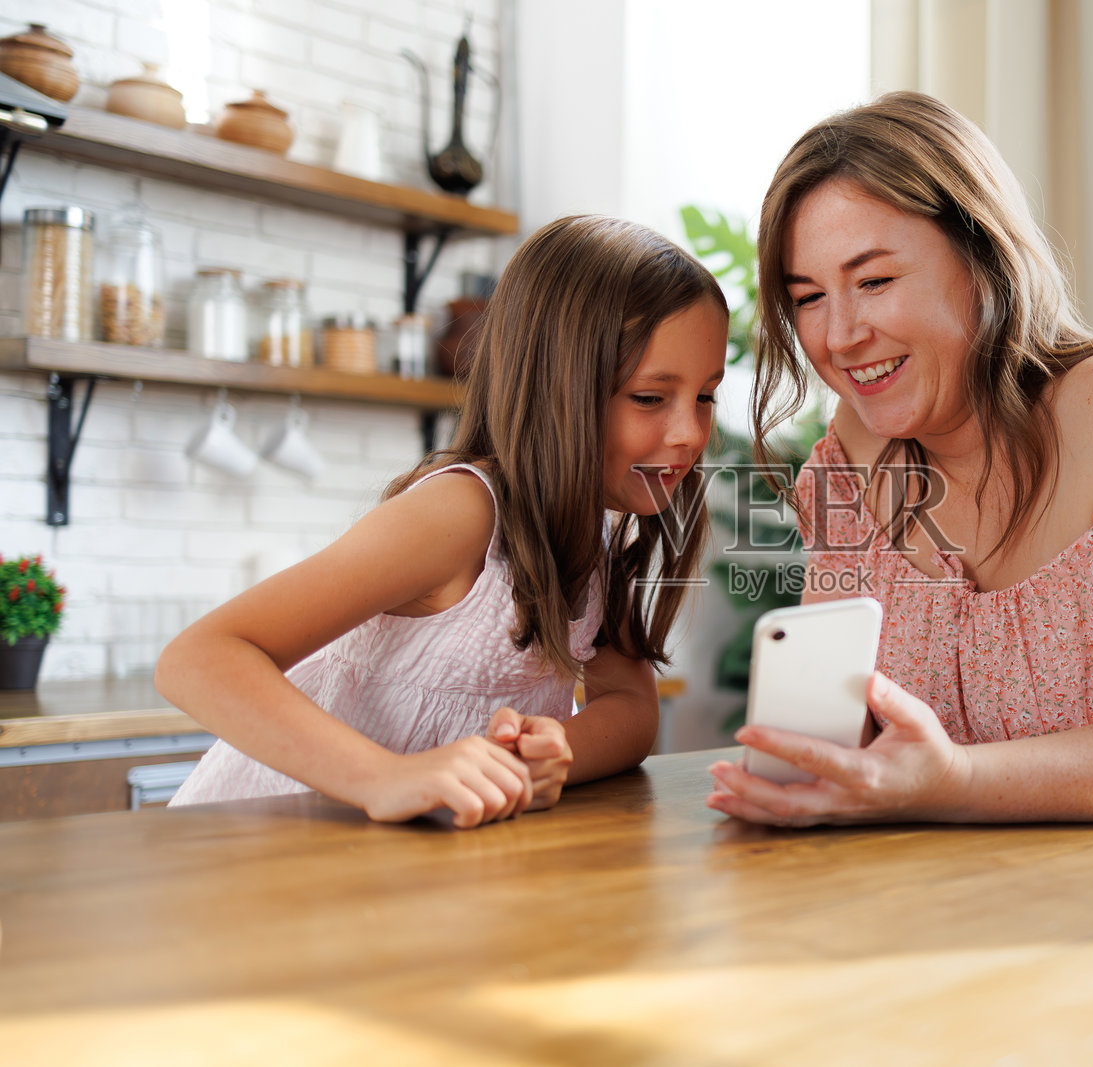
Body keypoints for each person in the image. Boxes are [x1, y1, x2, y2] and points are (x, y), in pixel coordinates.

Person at [707, 92, 1093, 826]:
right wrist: (818, 770)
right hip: (969, 902)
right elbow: (844, 726)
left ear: (981, 254)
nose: (838, 336)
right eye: (808, 297)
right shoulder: (856, 448)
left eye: (873, 281)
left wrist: (955, 778)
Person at [159, 215, 728, 828]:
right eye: (650, 397)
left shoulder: (590, 530)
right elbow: (199, 658)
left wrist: (556, 755)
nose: (690, 433)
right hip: (262, 854)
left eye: (706, 396)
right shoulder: (460, 514)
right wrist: (382, 777)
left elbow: (631, 704)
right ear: (555, 386)